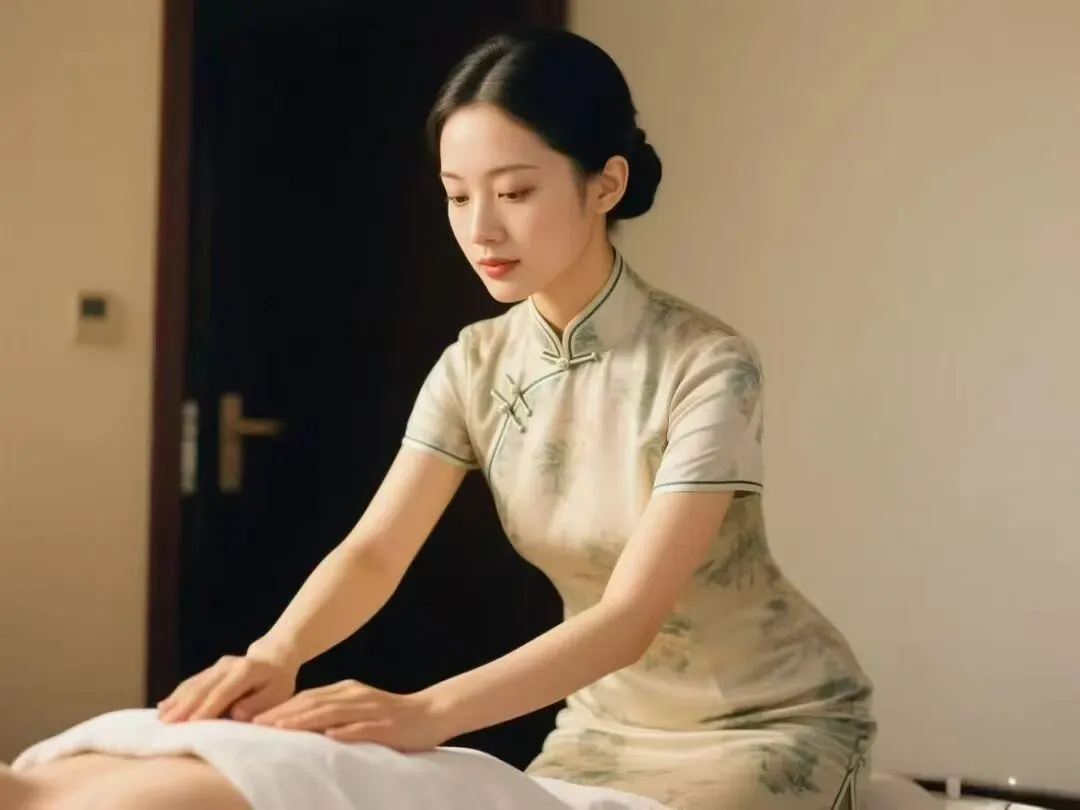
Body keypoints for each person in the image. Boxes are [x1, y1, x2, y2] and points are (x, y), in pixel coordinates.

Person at [4, 27, 876, 810]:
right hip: (602, 725)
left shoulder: (707, 365)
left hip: (762, 722)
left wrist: (424, 713)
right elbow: (375, 551)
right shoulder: (475, 363)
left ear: (605, 183)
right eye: (458, 195)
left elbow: (629, 616)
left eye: (515, 191)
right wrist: (275, 653)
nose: (480, 228)